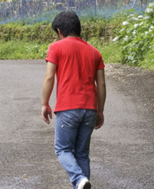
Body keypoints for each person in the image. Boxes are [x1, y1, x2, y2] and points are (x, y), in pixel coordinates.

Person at [41, 11, 106, 189]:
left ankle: (78, 179)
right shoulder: (95, 52)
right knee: (82, 154)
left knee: (62, 150)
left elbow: (49, 77)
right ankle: (82, 182)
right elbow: (101, 84)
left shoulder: (56, 47)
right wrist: (100, 110)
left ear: (60, 31)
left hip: (68, 108)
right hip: (90, 109)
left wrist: (45, 103)